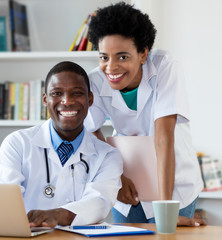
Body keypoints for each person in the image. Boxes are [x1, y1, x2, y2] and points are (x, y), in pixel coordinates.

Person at [84, 2, 205, 226]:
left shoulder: (164, 66)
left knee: (166, 234)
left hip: (174, 184)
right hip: (128, 183)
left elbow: (163, 138)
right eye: (104, 57)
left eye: (122, 57)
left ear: (143, 54)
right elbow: (91, 132)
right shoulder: (95, 79)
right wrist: (118, 178)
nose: (111, 67)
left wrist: (166, 210)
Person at [0, 61, 123, 227]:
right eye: (56, 93)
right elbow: (6, 201)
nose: (67, 101)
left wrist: (58, 215)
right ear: (45, 99)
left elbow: (99, 203)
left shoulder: (108, 155)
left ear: (90, 99)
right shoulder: (17, 144)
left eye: (76, 93)